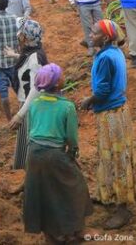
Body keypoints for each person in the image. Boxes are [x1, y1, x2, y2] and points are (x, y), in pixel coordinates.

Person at [21, 64, 92, 242]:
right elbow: (71, 138)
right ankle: (75, 230)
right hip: (54, 154)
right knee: (75, 187)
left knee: (41, 192)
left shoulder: (35, 104)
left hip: (33, 154)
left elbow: (31, 129)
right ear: (58, 83)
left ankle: (50, 235)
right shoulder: (67, 107)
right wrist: (73, 153)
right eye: (61, 76)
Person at [80, 20, 136, 229]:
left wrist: (89, 100)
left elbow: (103, 90)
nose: (90, 34)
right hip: (120, 110)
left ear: (105, 38)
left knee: (115, 158)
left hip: (110, 113)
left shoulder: (105, 58)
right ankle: (110, 193)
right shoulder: (115, 52)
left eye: (94, 33)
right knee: (119, 155)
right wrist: (90, 44)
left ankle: (123, 209)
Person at [7, 19, 49, 171]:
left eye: (21, 34)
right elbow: (27, 63)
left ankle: (32, 182)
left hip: (31, 107)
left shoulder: (35, 58)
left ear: (25, 38)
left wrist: (20, 115)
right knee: (27, 147)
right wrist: (14, 55)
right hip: (28, 105)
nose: (18, 36)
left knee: (30, 148)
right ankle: (29, 181)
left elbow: (36, 89)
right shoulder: (33, 53)